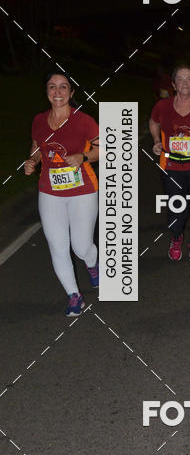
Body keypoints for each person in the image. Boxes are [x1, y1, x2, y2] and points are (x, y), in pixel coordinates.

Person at [23, 73, 100, 316]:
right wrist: (32, 161)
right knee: (57, 246)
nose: (58, 92)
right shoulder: (38, 120)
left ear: (71, 92)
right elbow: (37, 148)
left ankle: (92, 263)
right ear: (46, 91)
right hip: (50, 191)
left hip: (83, 190)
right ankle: (74, 295)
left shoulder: (84, 120)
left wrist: (83, 157)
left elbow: (106, 148)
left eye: (63, 87)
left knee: (80, 246)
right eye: (52, 86)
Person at [150, 65, 190, 263]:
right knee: (176, 207)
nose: (185, 83)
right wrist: (156, 141)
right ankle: (176, 238)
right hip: (173, 167)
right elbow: (153, 122)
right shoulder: (162, 106)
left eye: (189, 79)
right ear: (174, 84)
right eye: (180, 79)